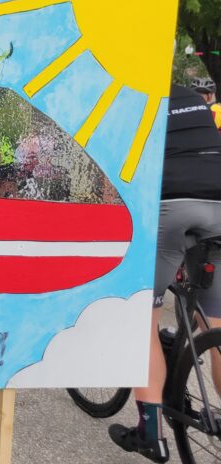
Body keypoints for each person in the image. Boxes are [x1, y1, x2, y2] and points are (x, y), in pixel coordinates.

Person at [109, 83, 221, 463]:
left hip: (174, 202)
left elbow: (121, 171)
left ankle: (150, 434)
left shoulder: (131, 100)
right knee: (216, 322)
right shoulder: (190, 95)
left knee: (143, 319)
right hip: (219, 200)